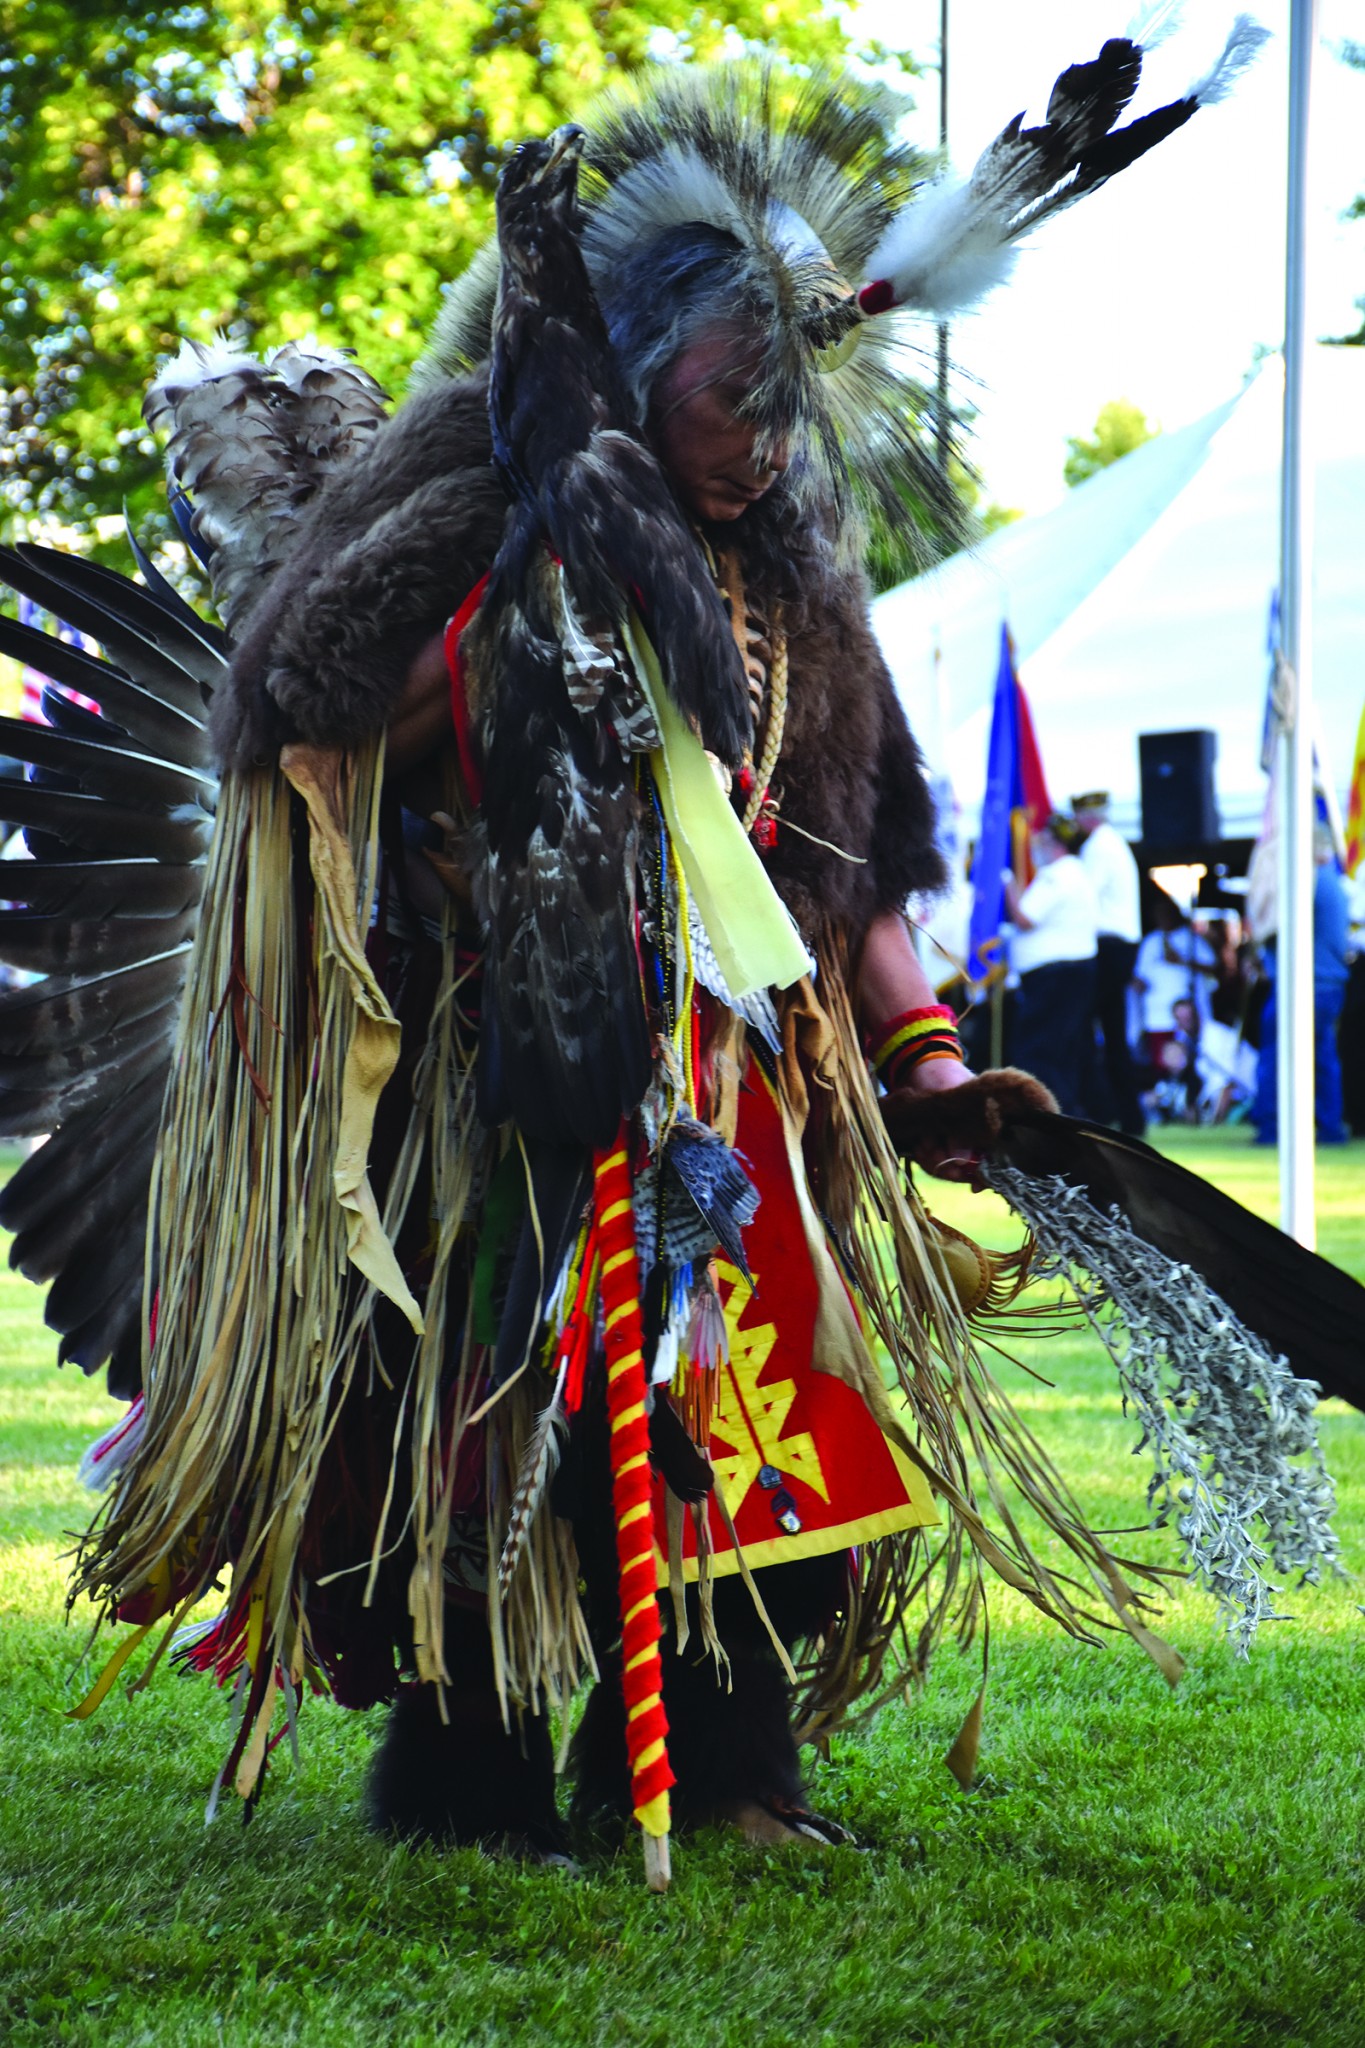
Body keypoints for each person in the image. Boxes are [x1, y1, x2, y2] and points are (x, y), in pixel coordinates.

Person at [30, 41, 1272, 1873]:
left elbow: (862, 879)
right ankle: (465, 1774)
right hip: (486, 1088)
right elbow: (308, 713)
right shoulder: (468, 477)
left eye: (784, 399)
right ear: (630, 366)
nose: (760, 433)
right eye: (723, 392)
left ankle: (721, 1770)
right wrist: (537, 581)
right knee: (486, 1443)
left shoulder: (798, 585)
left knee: (766, 1427)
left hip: (733, 1115)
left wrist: (925, 1061)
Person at [1251, 829, 1353, 1146]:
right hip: (1328, 983)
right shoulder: (1333, 883)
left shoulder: (1308, 883)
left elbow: (1275, 927)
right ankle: (1330, 1127)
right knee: (1323, 1058)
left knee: (1275, 1054)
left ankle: (1270, 1127)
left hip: (1304, 984)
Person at [1004, 817, 1098, 1116]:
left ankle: (1047, 1113)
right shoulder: (1077, 872)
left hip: (1053, 975)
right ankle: (1065, 1112)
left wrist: (1006, 883)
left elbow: (1025, 917)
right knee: (1062, 1049)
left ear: (1054, 843)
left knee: (1039, 1049)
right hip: (1069, 972)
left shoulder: (1057, 875)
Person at [1071, 791, 1145, 1135]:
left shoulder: (1097, 847)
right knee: (1114, 1033)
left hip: (1108, 946)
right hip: (1122, 946)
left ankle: (1097, 1107)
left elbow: (1082, 897)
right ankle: (1128, 1114)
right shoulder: (1114, 843)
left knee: (1083, 1027)